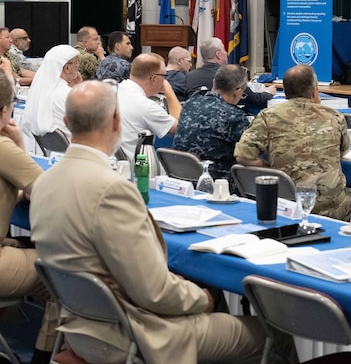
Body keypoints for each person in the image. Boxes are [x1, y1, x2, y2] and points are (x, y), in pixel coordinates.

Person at [29, 80, 274, 364]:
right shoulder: (112, 190)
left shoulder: (44, 181)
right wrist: (200, 298)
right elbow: (154, 292)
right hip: (134, 334)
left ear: (66, 122)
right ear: (116, 121)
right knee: (272, 334)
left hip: (79, 326)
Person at [235, 64, 351, 221]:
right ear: (314, 90)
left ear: (285, 91)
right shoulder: (335, 117)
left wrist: (271, 168)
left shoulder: (268, 117)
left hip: (285, 206)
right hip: (332, 211)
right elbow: (343, 152)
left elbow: (243, 156)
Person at [0, 73, 58, 364]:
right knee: (64, 275)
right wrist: (19, 145)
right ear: (4, 111)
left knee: (23, 244)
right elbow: (49, 195)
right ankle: (42, 358)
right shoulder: (3, 148)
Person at [173, 65, 249, 185]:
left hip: (181, 179)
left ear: (214, 82)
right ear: (238, 91)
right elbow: (248, 155)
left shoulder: (190, 104)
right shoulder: (234, 116)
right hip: (218, 184)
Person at [117, 53, 182, 160]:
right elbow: (182, 128)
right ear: (154, 79)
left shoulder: (113, 90)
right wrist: (169, 91)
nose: (165, 80)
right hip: (135, 169)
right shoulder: (146, 107)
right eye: (164, 76)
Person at [185, 37, 275, 111]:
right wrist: (268, 92)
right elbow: (254, 100)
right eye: (224, 50)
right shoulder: (228, 75)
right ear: (218, 55)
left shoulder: (189, 76)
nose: (226, 53)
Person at [23, 45, 81, 139]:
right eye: (77, 62)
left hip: (53, 149)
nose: (78, 65)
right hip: (77, 147)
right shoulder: (69, 95)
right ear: (67, 68)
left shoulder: (40, 93)